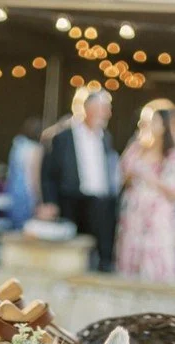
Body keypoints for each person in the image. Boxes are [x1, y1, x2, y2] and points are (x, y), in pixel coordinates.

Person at [40, 90, 118, 272]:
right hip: (71, 199)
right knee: (72, 250)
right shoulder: (63, 137)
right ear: (88, 109)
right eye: (103, 108)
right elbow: (48, 174)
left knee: (102, 251)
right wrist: (49, 202)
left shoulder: (106, 137)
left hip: (100, 201)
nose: (107, 114)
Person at [115, 106, 175, 281]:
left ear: (164, 125)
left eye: (153, 121)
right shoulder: (136, 149)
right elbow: (122, 178)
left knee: (156, 263)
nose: (146, 124)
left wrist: (153, 180)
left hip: (158, 218)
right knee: (131, 261)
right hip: (134, 216)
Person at [6, 117, 43, 229]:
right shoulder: (35, 149)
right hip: (27, 193)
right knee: (27, 227)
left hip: (13, 191)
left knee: (16, 225)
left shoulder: (18, 144)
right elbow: (34, 176)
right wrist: (39, 197)